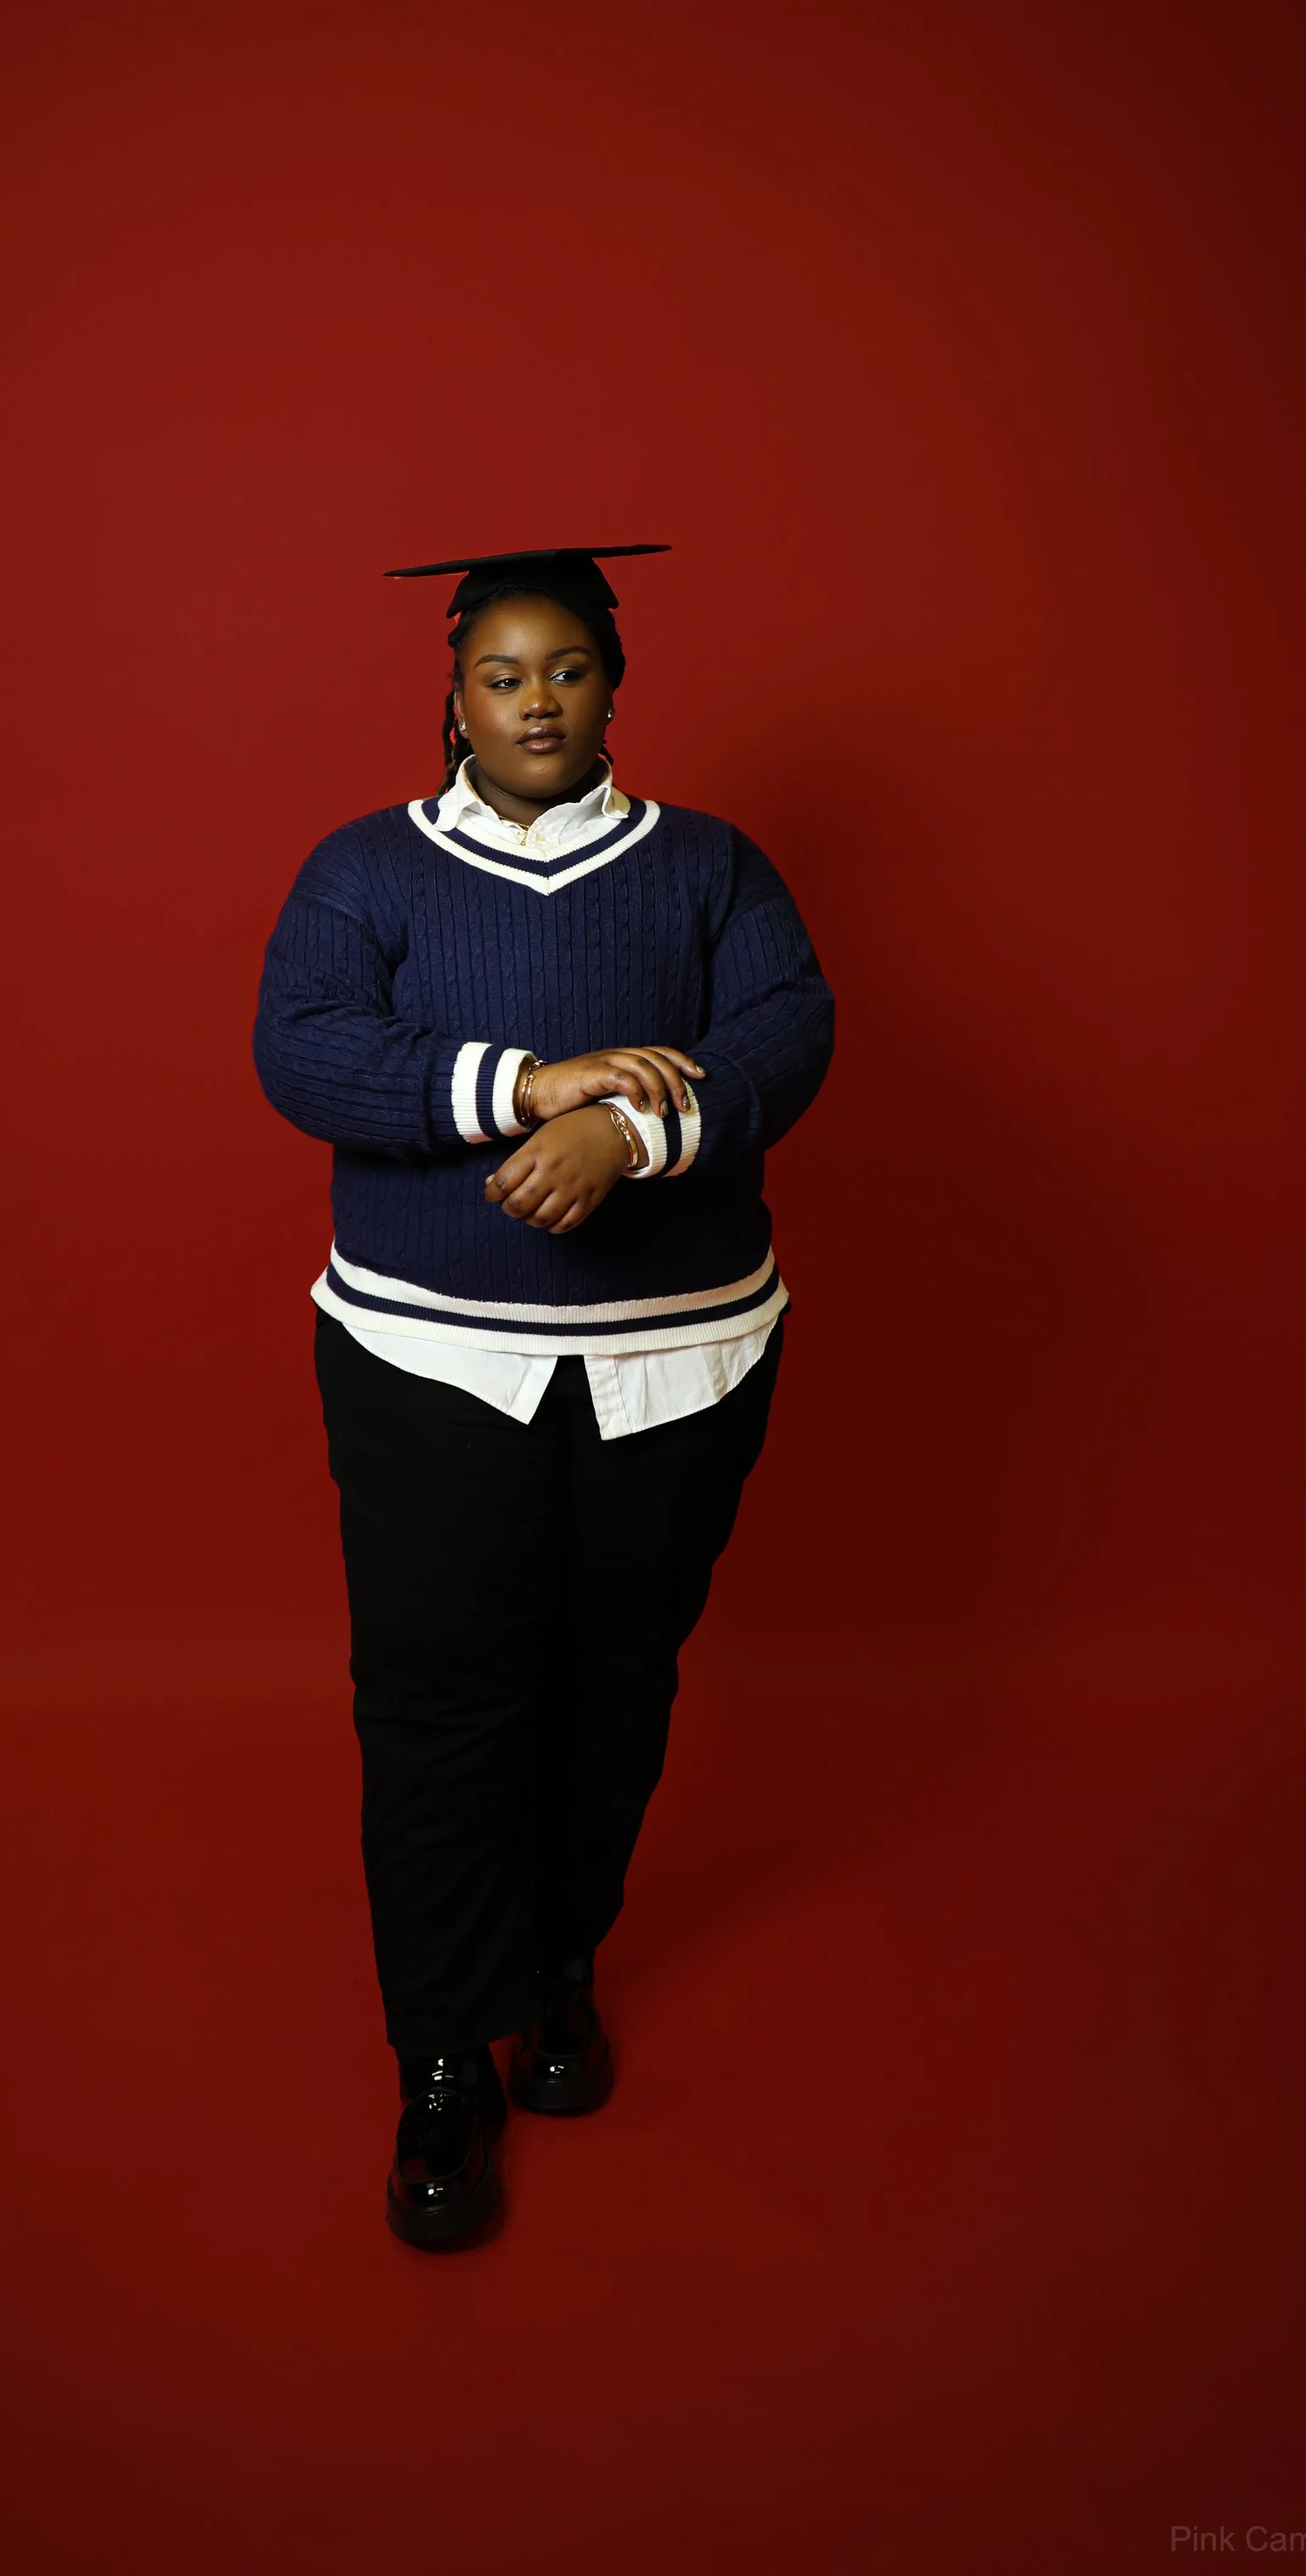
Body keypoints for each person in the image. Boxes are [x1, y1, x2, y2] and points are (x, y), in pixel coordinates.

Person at [253, 544, 834, 2245]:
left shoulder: (712, 868)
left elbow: (787, 1032)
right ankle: (443, 2052)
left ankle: (558, 1963)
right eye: (501, 673)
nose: (533, 699)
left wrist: (632, 1129)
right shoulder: (365, 871)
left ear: (610, 686)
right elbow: (301, 1045)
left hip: (677, 1359)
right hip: (430, 1359)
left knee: (612, 1687)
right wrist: (527, 1083)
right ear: (452, 691)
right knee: (436, 1712)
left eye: (566, 669)